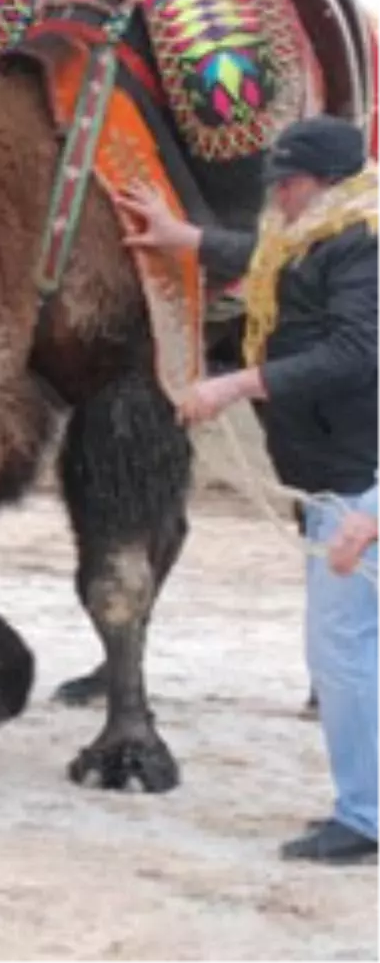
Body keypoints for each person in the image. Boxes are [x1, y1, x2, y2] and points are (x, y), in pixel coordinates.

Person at [115, 114, 380, 865]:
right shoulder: (329, 230)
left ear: (322, 182)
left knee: (344, 654)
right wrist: (182, 238)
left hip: (359, 480)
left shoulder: (365, 243)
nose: (280, 200)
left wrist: (235, 383)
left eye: (289, 186)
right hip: (340, 473)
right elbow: (272, 262)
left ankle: (367, 817)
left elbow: (357, 351)